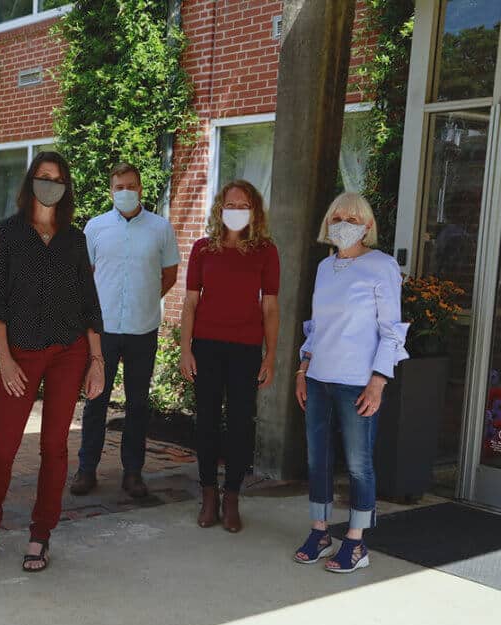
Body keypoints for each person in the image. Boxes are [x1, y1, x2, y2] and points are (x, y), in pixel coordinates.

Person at [0, 151, 105, 572]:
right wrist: (4, 359)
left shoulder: (75, 238)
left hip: (68, 352)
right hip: (20, 355)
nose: (50, 184)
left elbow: (88, 304)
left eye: (58, 178)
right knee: (2, 448)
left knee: (54, 446)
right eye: (44, 177)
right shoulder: (8, 234)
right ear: (31, 182)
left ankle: (41, 534)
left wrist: (96, 361)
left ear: (66, 187)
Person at [293, 192, 408, 573]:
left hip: (357, 382)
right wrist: (302, 368)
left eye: (353, 218)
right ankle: (320, 531)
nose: (343, 222)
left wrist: (378, 380)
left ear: (368, 226)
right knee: (318, 460)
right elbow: (317, 327)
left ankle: (356, 542)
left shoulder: (382, 266)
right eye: (337, 216)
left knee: (359, 465)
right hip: (319, 377)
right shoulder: (326, 268)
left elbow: (391, 332)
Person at [70, 162, 180, 499]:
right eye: (119, 186)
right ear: (111, 190)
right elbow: (84, 275)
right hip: (102, 331)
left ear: (142, 189)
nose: (125, 192)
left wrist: (144, 298)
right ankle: (86, 469)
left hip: (142, 329)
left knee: (137, 404)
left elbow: (170, 274)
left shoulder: (160, 229)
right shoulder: (96, 227)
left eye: (131, 185)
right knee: (95, 401)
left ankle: (133, 472)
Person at [180, 180, 279, 533]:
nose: (236, 209)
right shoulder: (203, 249)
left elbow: (270, 307)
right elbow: (190, 302)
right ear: (220, 208)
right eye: (230, 203)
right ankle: (208, 494)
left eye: (244, 204)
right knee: (206, 421)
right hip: (206, 346)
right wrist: (185, 349)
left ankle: (232, 495)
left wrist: (270, 357)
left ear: (254, 211)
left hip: (246, 349)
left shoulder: (266, 251)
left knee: (240, 424)